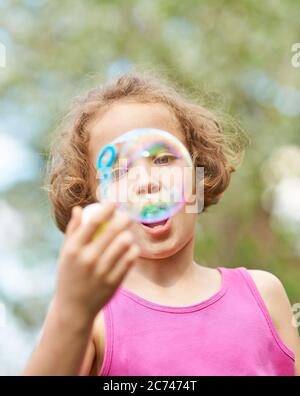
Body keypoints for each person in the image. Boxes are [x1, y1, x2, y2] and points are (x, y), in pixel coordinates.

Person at [23, 71, 300, 376]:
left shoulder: (263, 294)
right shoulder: (91, 319)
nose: (146, 182)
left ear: (197, 180)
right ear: (94, 205)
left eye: (163, 159)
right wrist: (72, 310)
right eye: (118, 171)